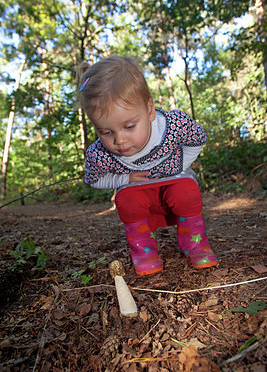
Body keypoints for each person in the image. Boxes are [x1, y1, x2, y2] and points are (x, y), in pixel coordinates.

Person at [77, 55, 218, 276]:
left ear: (149, 109)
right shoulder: (100, 153)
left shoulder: (173, 126)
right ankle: (144, 251)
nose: (119, 140)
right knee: (127, 199)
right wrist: (126, 179)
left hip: (175, 185)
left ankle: (195, 244)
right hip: (139, 193)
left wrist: (180, 164)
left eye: (129, 126)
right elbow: (93, 178)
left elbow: (198, 138)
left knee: (187, 192)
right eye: (106, 132)